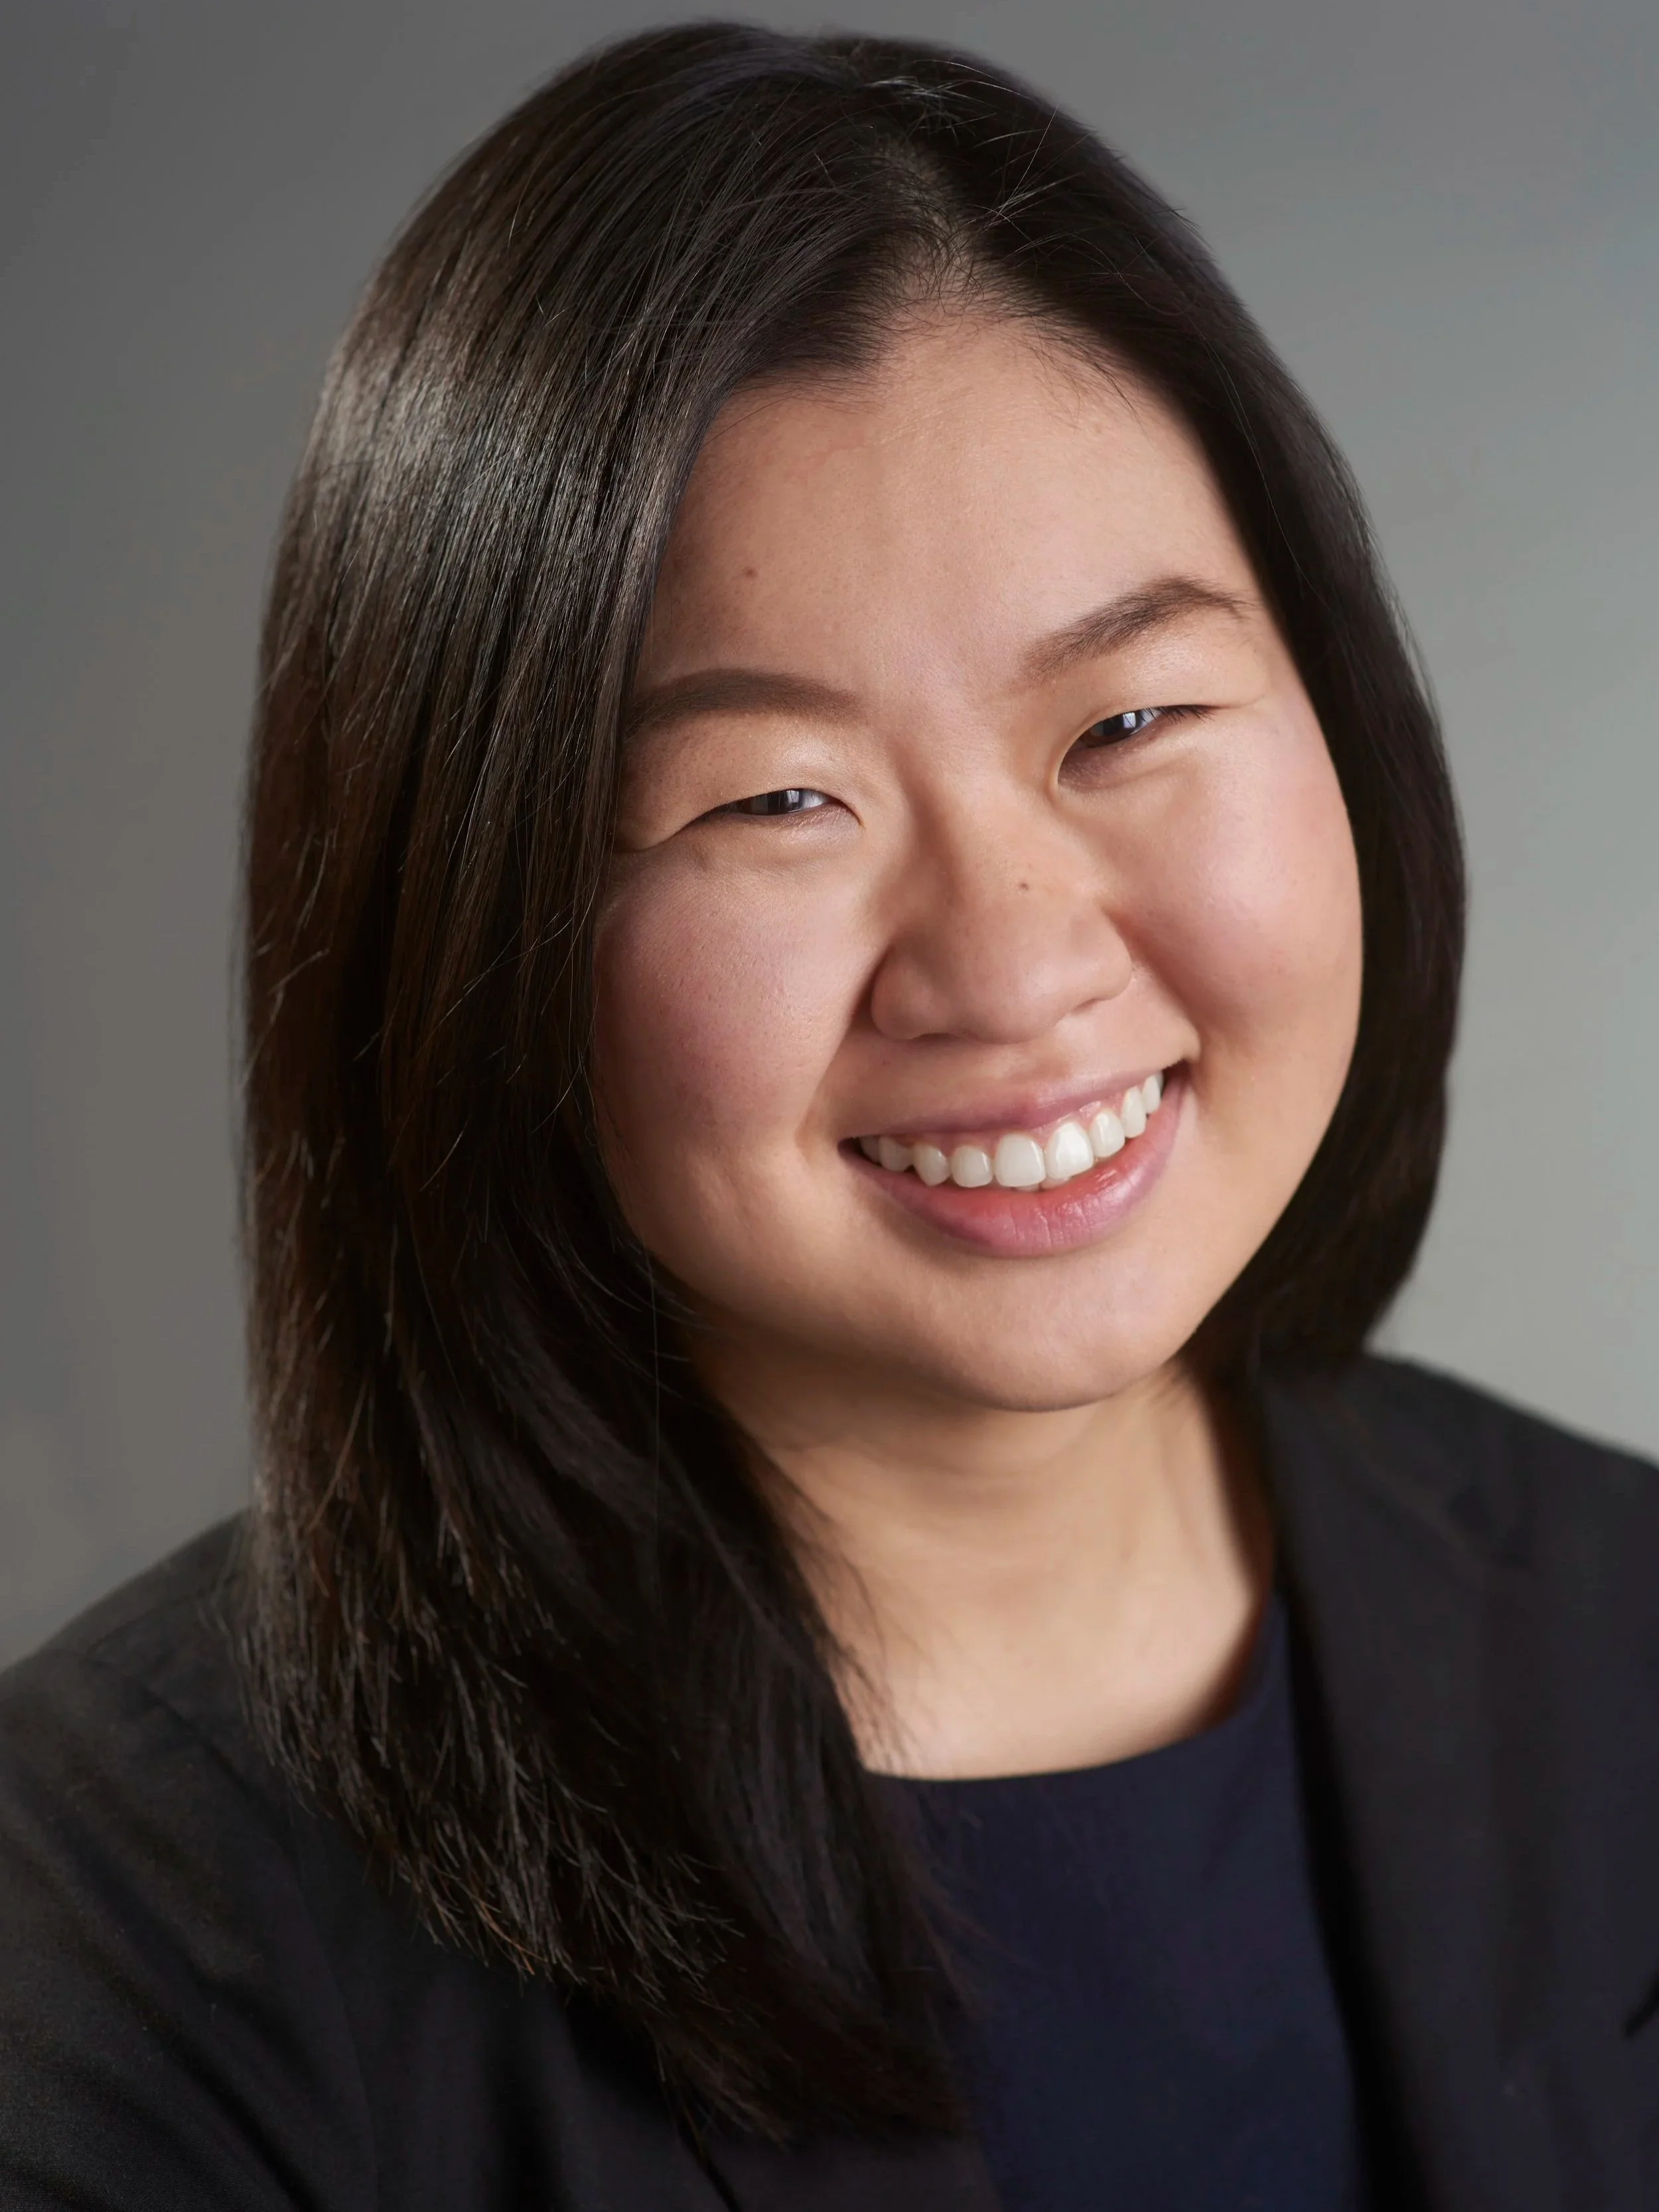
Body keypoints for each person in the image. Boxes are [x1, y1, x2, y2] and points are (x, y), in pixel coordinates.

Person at [2, 23, 1656, 2211]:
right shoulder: (125, 1930)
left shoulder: (1627, 1639)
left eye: (1128, 716)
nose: (1012, 956)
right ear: (475, 913)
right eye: (775, 798)